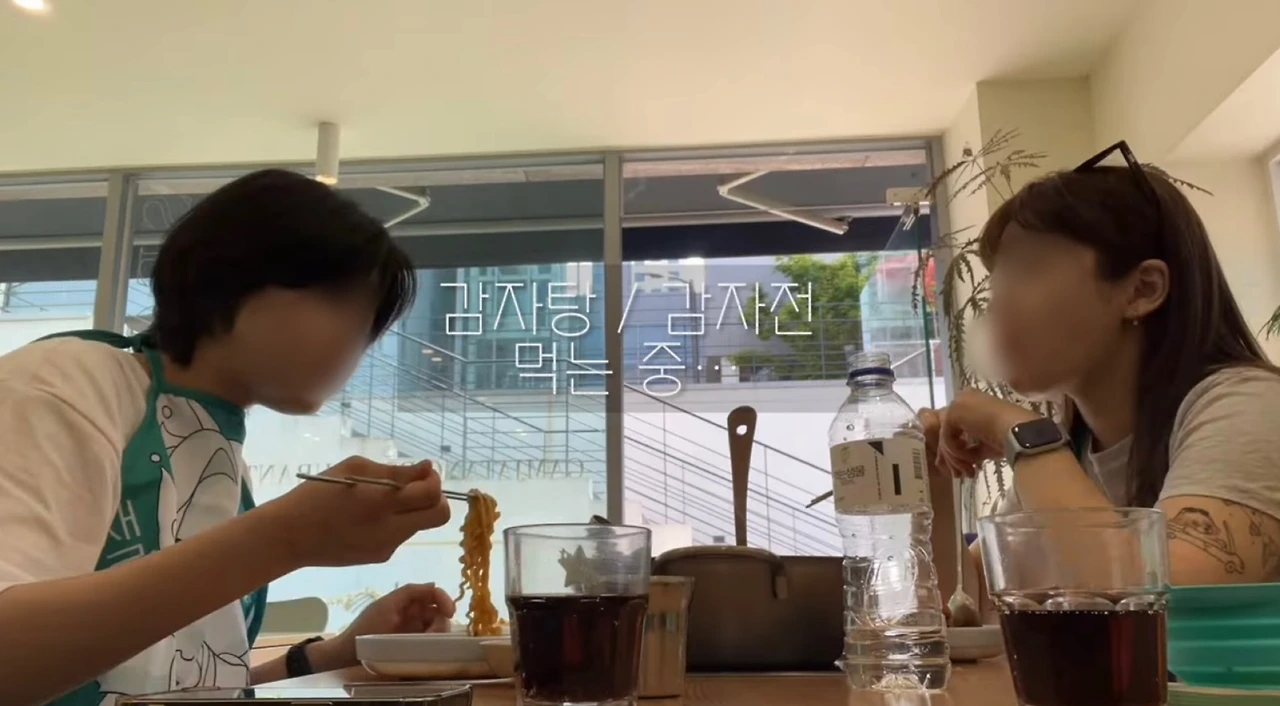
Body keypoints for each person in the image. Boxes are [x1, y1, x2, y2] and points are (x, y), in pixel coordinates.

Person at [0, 170, 457, 706]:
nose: (354, 335)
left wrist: (332, 655)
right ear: (229, 273)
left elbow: (180, 682)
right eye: (335, 297)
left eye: (367, 319)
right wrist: (285, 538)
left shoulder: (219, 453)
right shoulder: (67, 383)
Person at [926, 142, 1280, 596]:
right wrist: (933, 477)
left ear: (1142, 290)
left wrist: (1024, 435)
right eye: (998, 279)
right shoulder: (1074, 452)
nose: (996, 303)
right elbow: (971, 602)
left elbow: (1157, 603)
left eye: (1028, 269)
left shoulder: (1248, 405)